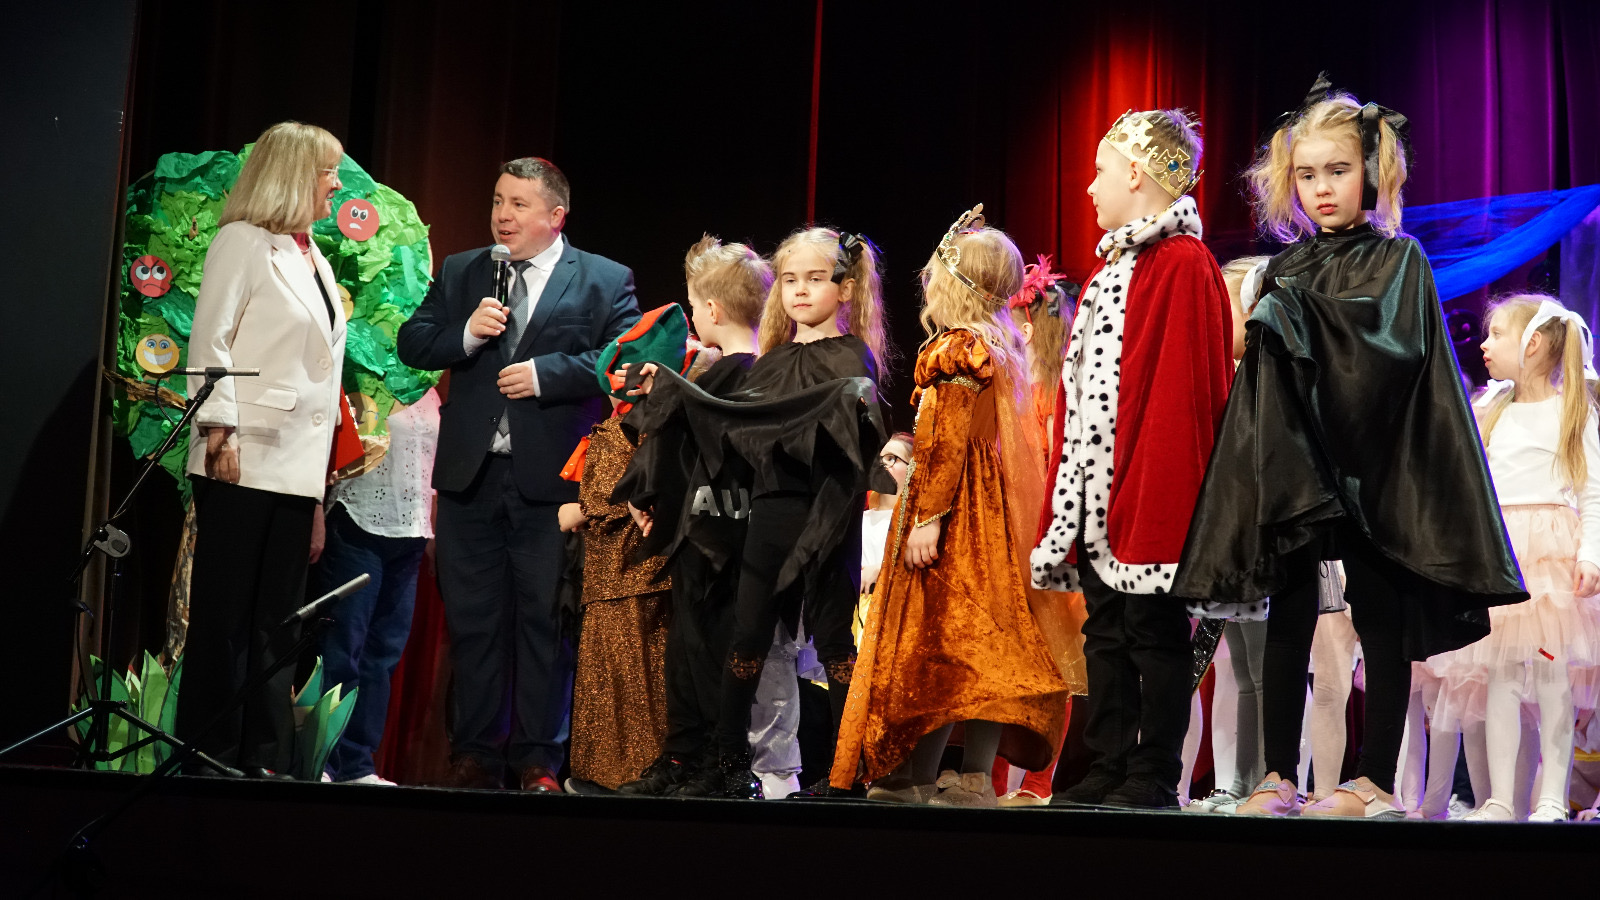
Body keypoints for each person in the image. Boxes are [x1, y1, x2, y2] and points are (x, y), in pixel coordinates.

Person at [1175, 75, 1527, 818]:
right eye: (1307, 175)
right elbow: (1266, 379)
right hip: (1300, 467)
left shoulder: (1399, 260)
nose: (1322, 188)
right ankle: (1277, 775)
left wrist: (1294, 316)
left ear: (1371, 170)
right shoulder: (1286, 267)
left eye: (1337, 170)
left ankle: (1370, 781)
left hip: (1374, 470)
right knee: (1288, 615)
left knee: (1378, 614)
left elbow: (1390, 349)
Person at [396, 157, 640, 792]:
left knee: (545, 623)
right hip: (470, 477)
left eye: (518, 205)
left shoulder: (604, 278)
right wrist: (465, 335)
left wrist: (547, 374)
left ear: (555, 216)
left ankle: (538, 759)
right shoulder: (464, 270)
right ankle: (475, 753)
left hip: (552, 485)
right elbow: (413, 341)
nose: (502, 216)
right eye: (498, 201)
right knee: (473, 621)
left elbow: (628, 360)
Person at [617, 227, 889, 798]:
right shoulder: (772, 361)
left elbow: (843, 425)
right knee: (748, 638)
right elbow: (732, 422)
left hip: (825, 516)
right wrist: (674, 391)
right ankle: (730, 766)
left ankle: (847, 774)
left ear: (845, 289)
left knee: (834, 639)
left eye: (815, 279)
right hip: (770, 513)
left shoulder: (851, 355)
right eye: (789, 280)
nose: (799, 290)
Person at [832, 211, 1076, 808]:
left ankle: (930, 777)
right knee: (976, 647)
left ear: (957, 286)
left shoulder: (958, 348)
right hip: (985, 511)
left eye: (936, 278)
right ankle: (964, 776)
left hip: (957, 508)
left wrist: (928, 517)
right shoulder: (997, 345)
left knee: (941, 644)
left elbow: (946, 441)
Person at [1030, 109, 1235, 810]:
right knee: (1107, 632)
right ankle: (1109, 764)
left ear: (1138, 175)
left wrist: (1155, 493)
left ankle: (1153, 771)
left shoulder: (1182, 265)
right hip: (1098, 495)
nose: (1090, 187)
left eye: (1101, 171)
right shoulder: (1111, 269)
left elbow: (1181, 398)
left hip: (1149, 490)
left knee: (1153, 632)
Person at [178, 121, 349, 778]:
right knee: (225, 617)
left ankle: (266, 760)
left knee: (278, 623)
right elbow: (210, 341)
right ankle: (209, 756)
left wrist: (318, 491)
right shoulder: (243, 242)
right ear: (295, 173)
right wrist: (218, 430)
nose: (337, 183)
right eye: (329, 171)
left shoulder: (315, 257)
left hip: (296, 468)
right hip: (243, 455)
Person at [1433, 294, 1600, 822]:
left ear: (1533, 344)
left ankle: (1551, 797)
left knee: (1551, 675)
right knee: (1500, 677)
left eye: (1497, 334)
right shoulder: (1489, 408)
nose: (1484, 344)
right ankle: (1501, 799)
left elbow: (1593, 493)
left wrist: (1591, 555)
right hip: (1500, 557)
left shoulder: (1572, 409)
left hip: (1550, 560)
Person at [615, 235, 770, 798]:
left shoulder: (750, 376)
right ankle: (683, 756)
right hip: (696, 527)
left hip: (726, 532)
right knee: (686, 647)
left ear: (711, 309)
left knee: (712, 650)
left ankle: (718, 764)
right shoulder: (716, 373)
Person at [561, 306, 695, 792]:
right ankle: (601, 772)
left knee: (638, 677)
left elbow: (631, 492)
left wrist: (581, 509)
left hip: (637, 573)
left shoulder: (648, 428)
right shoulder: (623, 426)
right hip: (608, 575)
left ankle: (635, 774)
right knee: (608, 676)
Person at [309, 387, 440, 784]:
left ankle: (357, 763)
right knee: (342, 647)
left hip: (411, 531)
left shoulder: (429, 388)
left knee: (382, 655)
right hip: (357, 519)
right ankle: (323, 761)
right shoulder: (360, 373)